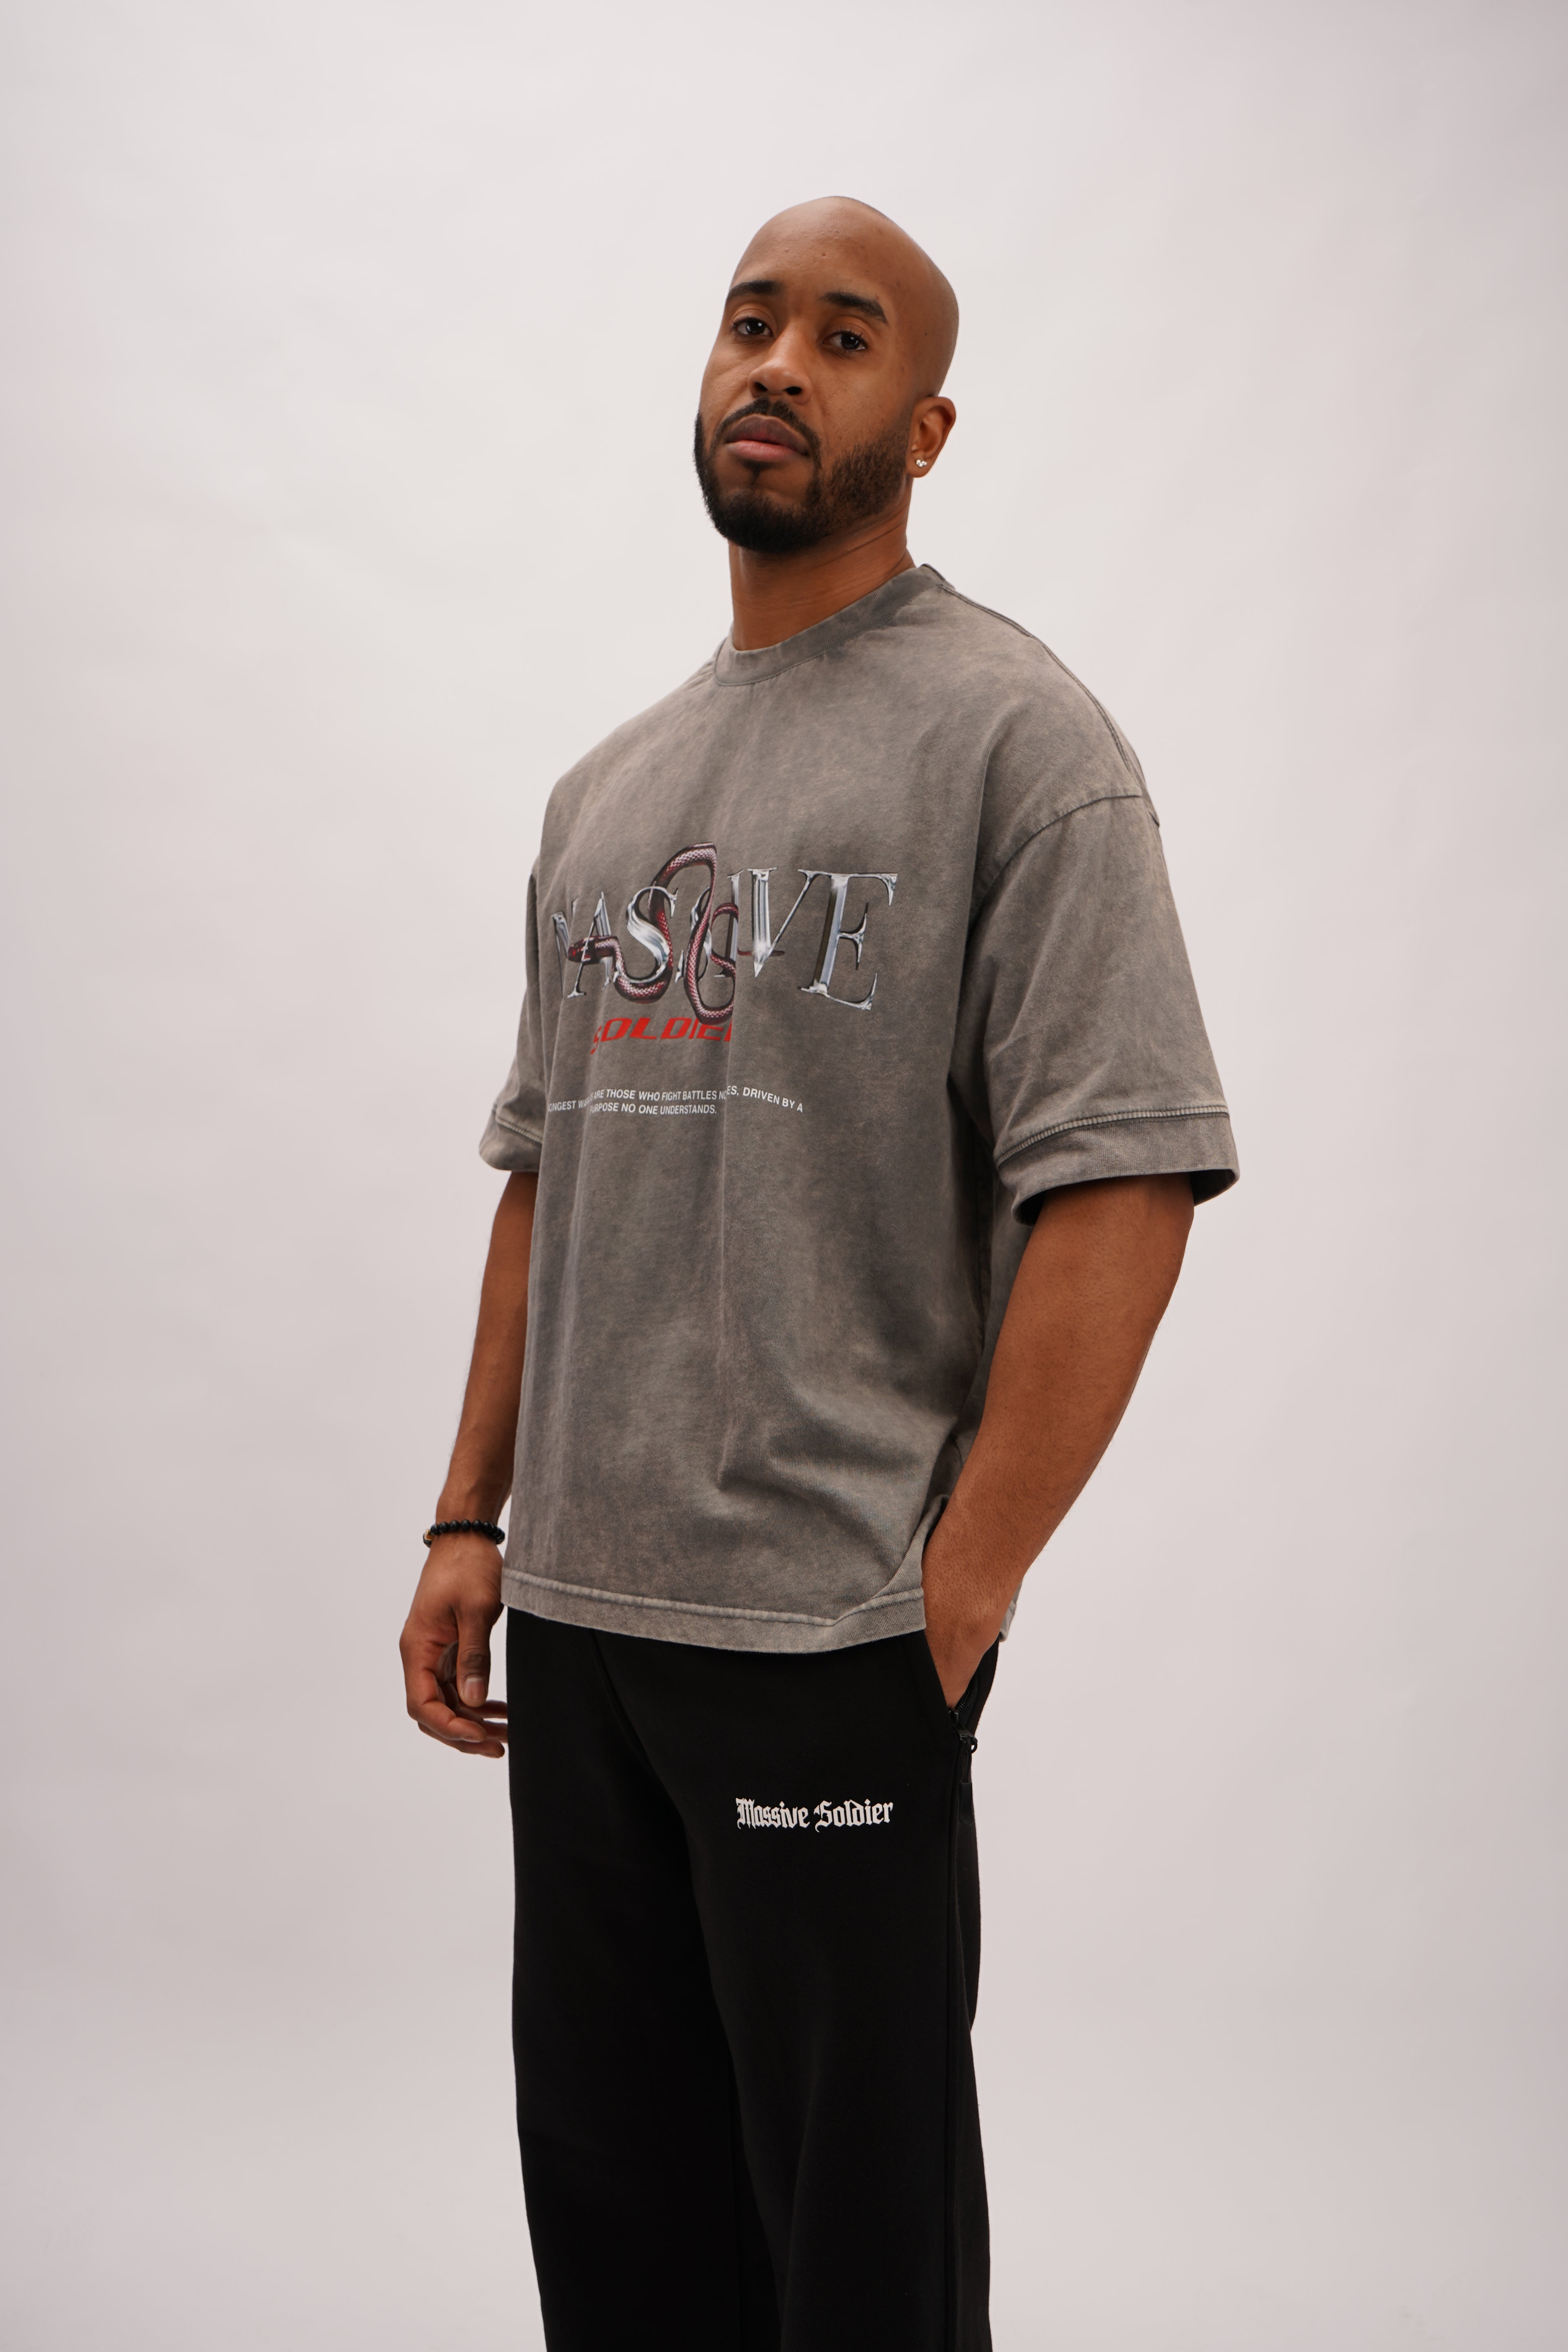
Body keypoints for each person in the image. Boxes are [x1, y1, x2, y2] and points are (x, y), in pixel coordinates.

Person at [399, 195, 1236, 2352]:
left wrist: (958, 1586)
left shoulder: (1017, 745)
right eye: (750, 321)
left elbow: (1125, 1176)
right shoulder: (607, 794)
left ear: (925, 427)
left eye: (845, 337)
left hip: (830, 1637)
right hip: (585, 1632)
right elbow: (544, 1171)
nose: (778, 363)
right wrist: (471, 1517)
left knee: (860, 2261)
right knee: (622, 2229)